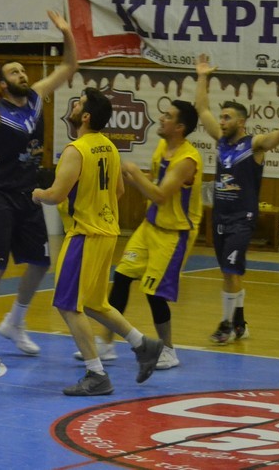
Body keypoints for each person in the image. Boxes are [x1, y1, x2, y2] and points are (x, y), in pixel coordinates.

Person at [0, 9, 78, 366]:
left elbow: (69, 66)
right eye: (14, 72)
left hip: (28, 195)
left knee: (41, 262)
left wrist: (66, 32)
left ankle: (14, 321)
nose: (22, 74)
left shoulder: (38, 97)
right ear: (2, 84)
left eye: (23, 70)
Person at [33, 88, 165, 395]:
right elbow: (118, 191)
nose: (74, 106)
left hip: (84, 235)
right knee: (94, 303)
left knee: (67, 305)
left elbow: (56, 195)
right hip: (107, 233)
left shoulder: (76, 150)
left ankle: (96, 374)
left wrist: (38, 194)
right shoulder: (110, 148)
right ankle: (143, 344)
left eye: (79, 103)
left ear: (86, 116)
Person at [195, 53, 279, 343]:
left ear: (241, 122)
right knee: (228, 273)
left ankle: (225, 325)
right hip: (220, 216)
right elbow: (202, 108)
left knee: (230, 270)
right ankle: (240, 325)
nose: (222, 121)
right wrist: (202, 77)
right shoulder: (221, 141)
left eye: (227, 117)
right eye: (221, 117)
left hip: (242, 218)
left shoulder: (254, 145)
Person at [100, 99, 203, 370]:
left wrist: (134, 172)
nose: (161, 118)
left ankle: (169, 350)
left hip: (173, 234)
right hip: (150, 226)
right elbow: (153, 184)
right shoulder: (162, 147)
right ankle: (106, 344)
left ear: (179, 127)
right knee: (122, 277)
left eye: (167, 116)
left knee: (154, 293)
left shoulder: (187, 160)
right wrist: (128, 177)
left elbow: (160, 195)